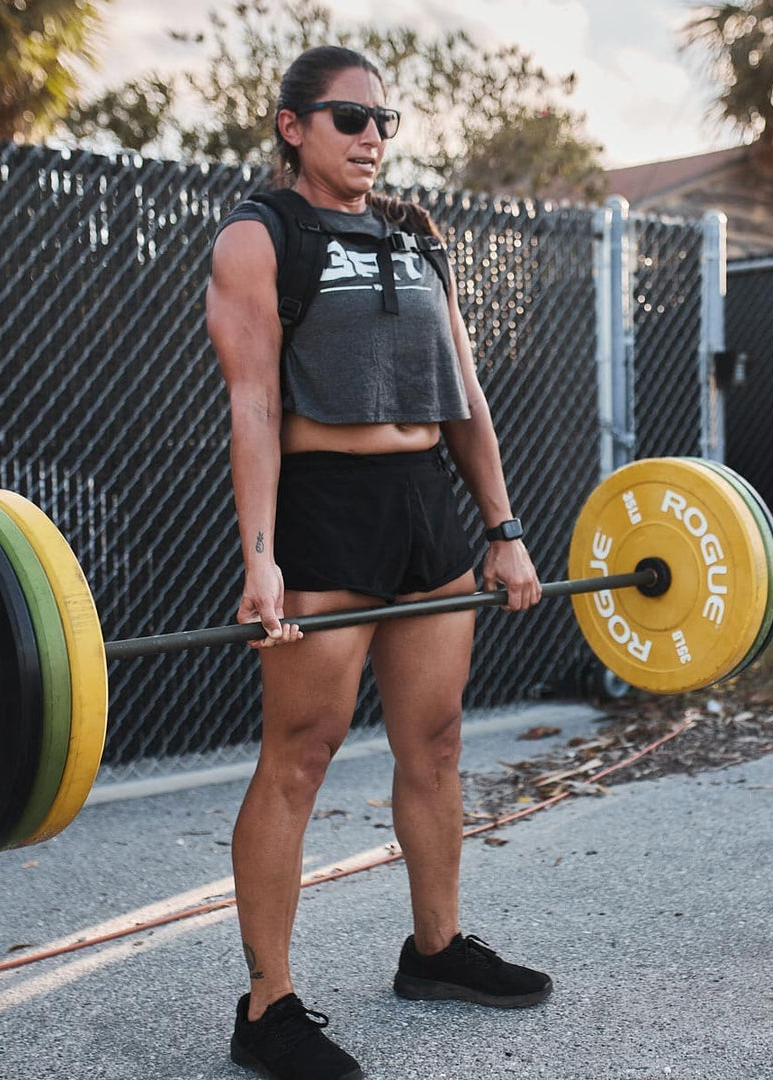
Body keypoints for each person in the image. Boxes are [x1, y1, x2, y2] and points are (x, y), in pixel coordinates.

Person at [206, 44, 552, 1080]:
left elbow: (466, 397)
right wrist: (260, 557)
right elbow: (254, 401)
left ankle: (435, 951)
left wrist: (503, 528)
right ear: (292, 125)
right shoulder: (259, 237)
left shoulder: (414, 240)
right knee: (301, 754)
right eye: (350, 119)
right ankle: (267, 1005)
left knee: (436, 741)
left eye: (383, 122)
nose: (373, 138)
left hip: (424, 512)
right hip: (326, 509)